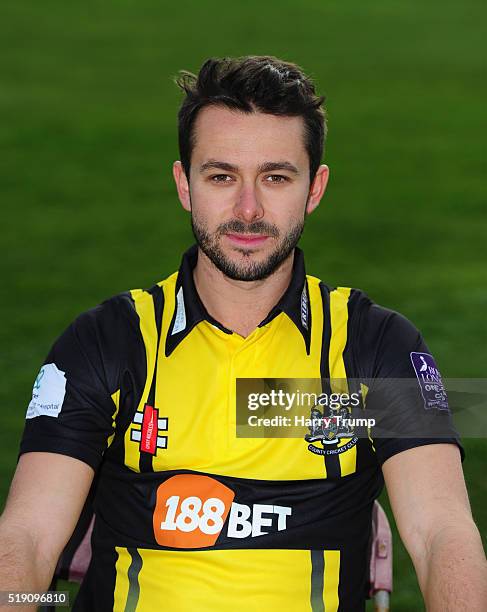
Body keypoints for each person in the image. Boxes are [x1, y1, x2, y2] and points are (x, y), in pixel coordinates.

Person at [0, 55, 485, 612]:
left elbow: (441, 535)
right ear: (185, 185)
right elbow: (29, 538)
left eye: (276, 177)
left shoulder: (377, 346)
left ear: (315, 188)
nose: (248, 210)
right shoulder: (106, 341)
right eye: (222, 176)